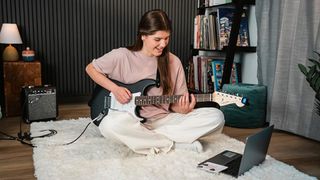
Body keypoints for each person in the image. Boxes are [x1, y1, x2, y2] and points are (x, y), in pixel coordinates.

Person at [85, 9, 224, 155]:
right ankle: (173, 144)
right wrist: (115, 89)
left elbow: (175, 105)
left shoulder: (173, 62)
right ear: (143, 35)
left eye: (167, 38)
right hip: (131, 120)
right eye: (157, 39)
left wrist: (183, 109)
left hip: (163, 120)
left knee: (216, 117)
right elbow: (91, 69)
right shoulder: (122, 55)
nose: (163, 44)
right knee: (109, 125)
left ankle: (146, 140)